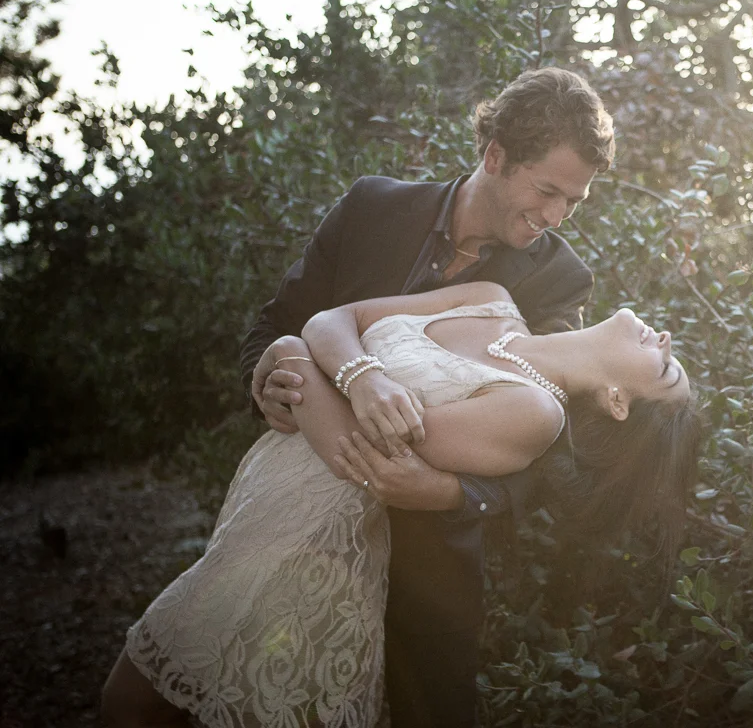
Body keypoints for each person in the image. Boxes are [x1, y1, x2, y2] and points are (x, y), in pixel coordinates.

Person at [116, 67, 611, 727]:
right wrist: (260, 378)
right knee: (140, 705)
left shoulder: (557, 279)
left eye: (572, 202)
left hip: (422, 581)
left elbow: (557, 447)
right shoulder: (372, 207)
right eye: (547, 190)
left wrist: (458, 494)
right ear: (494, 155)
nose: (555, 217)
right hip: (287, 537)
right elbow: (275, 324)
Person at [101, 280, 703, 727]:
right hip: (259, 520)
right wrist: (357, 374)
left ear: (619, 401)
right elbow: (336, 318)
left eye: (666, 369)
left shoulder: (533, 412)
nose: (666, 341)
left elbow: (365, 456)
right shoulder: (493, 298)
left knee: (129, 703)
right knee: (135, 704)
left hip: (311, 564)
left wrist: (290, 354)